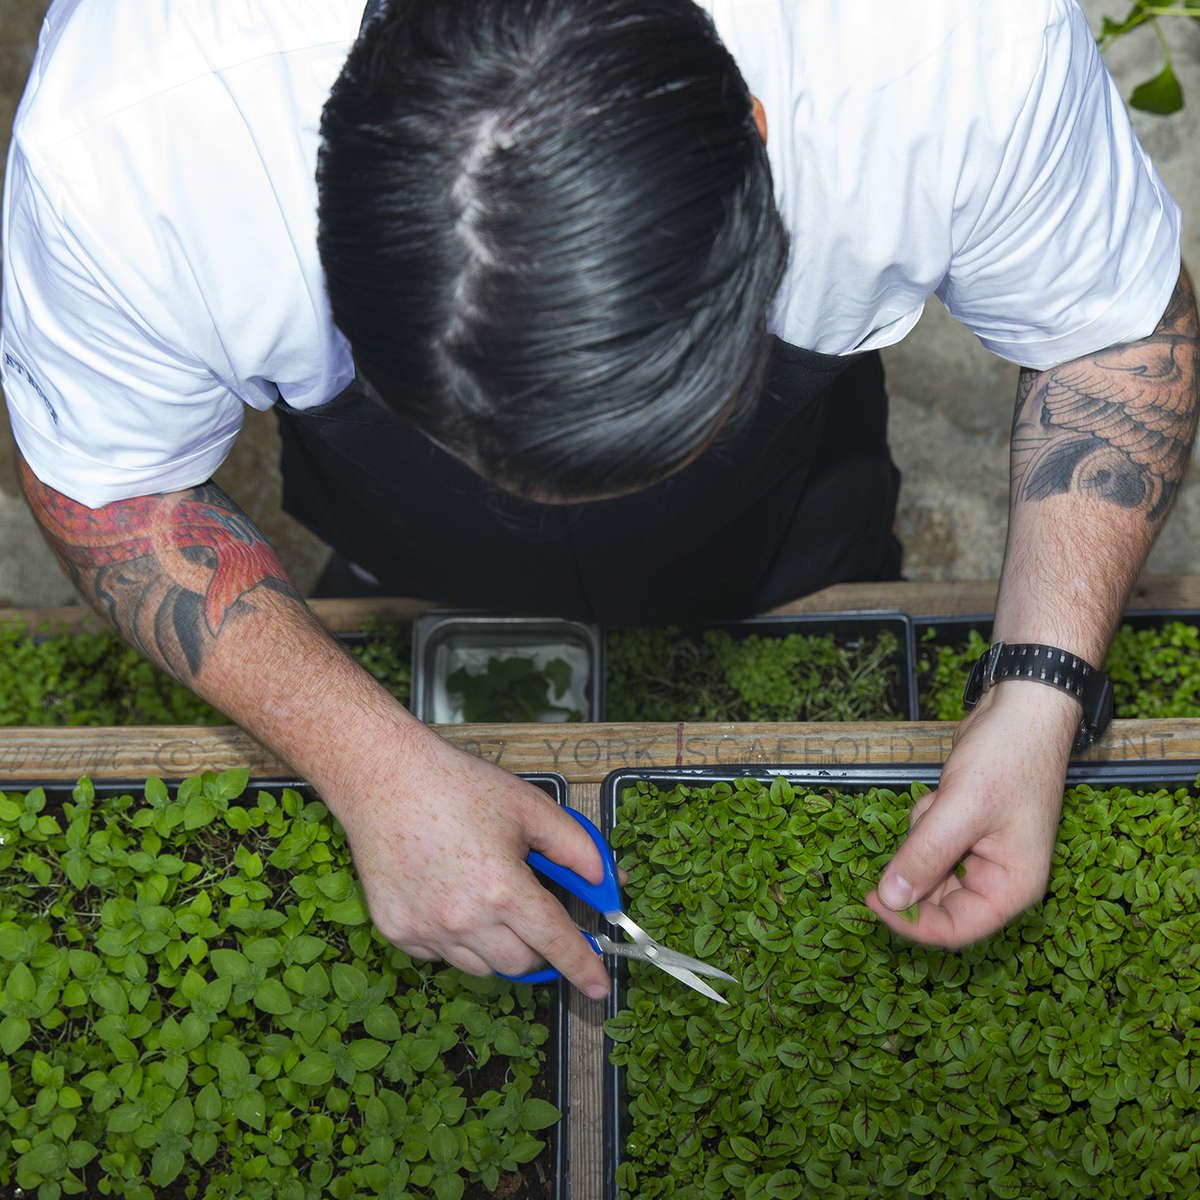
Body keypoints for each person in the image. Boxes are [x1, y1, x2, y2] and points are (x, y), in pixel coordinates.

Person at [2, 0, 1196, 995]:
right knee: (392, 568)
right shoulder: (130, 146)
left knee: (822, 544)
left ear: (761, 137)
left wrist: (1043, 689)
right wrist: (366, 759)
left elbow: (1113, 335)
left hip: (792, 482)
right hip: (384, 514)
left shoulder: (945, 45)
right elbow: (113, 483)